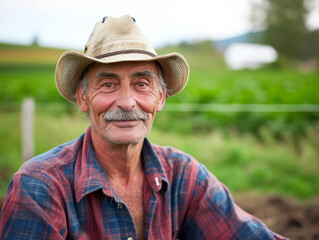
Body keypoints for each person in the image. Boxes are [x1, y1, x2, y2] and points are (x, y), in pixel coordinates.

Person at [0, 15, 287, 240]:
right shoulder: (40, 188)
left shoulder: (185, 178)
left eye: (142, 84)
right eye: (108, 84)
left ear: (160, 97)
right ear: (83, 97)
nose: (127, 102)